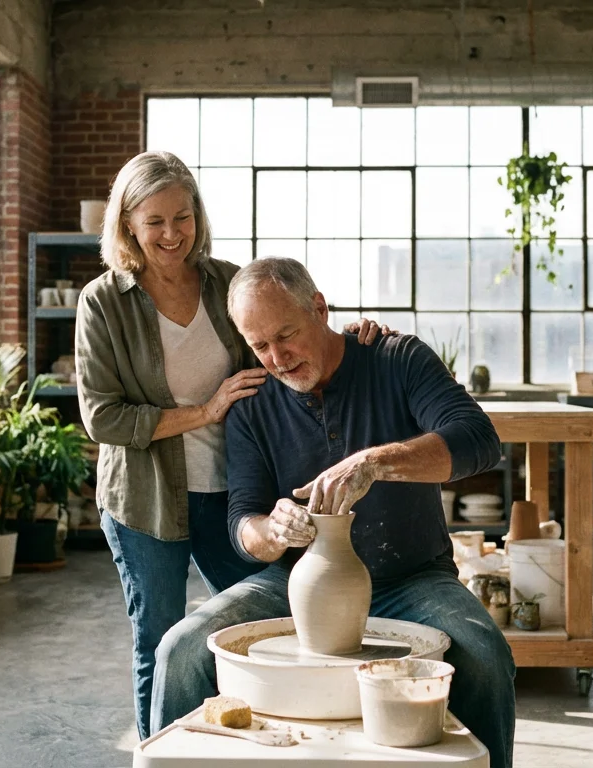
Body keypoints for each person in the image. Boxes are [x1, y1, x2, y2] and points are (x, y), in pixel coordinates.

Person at [148, 257, 516, 767]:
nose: (277, 357)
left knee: (485, 654)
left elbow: (480, 441)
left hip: (410, 577)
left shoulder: (396, 359)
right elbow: (242, 522)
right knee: (180, 650)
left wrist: (376, 462)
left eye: (286, 334)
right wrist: (271, 531)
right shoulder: (253, 403)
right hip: (293, 581)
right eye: (260, 346)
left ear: (319, 308)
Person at [75, 152, 391, 740]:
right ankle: (161, 752)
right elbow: (102, 418)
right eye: (154, 222)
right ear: (127, 226)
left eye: (183, 216)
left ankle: (253, 745)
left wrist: (354, 341)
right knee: (162, 640)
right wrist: (206, 410)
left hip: (232, 492)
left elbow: (283, 348)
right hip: (146, 501)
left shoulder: (226, 281)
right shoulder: (103, 301)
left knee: (266, 625)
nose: (172, 234)